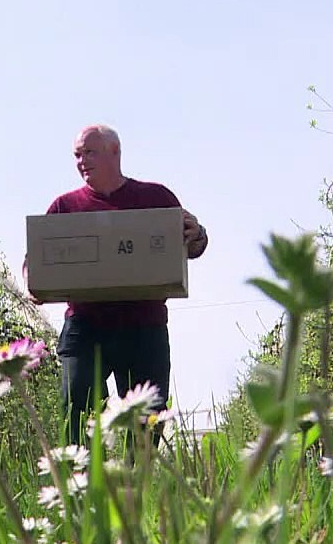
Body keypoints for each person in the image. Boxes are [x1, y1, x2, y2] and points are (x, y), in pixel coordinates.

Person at [34, 124, 209, 447]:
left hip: (143, 328)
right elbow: (38, 265)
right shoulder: (64, 208)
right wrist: (36, 275)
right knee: (75, 416)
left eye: (90, 152)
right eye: (77, 155)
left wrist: (196, 233)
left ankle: (135, 492)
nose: (82, 160)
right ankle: (79, 492)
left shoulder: (156, 198)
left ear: (115, 152)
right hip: (85, 329)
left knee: (146, 424)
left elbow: (193, 246)